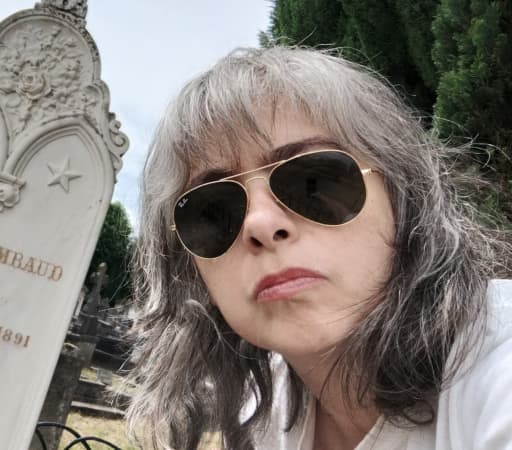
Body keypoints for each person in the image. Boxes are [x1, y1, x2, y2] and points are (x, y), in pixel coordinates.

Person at [125, 46, 512, 450]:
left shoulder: (498, 364)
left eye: (315, 179)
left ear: (403, 197)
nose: (260, 223)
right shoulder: (263, 419)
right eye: (213, 210)